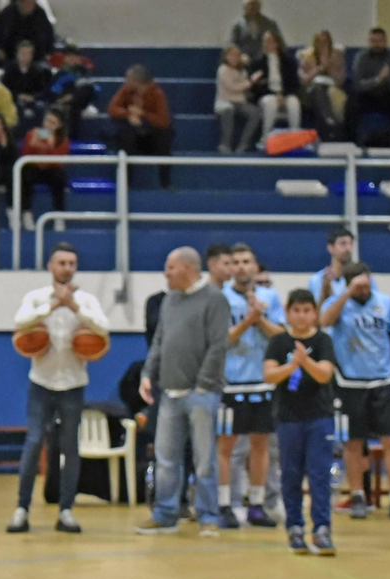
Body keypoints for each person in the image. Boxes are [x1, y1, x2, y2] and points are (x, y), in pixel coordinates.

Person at [7, 243, 109, 534]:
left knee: (70, 448)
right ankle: (21, 509)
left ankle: (66, 511)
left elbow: (103, 328)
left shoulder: (86, 300)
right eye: (62, 262)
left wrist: (74, 307)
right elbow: (20, 322)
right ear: (51, 266)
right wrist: (53, 306)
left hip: (74, 384)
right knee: (35, 441)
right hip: (41, 382)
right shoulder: (36, 297)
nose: (67, 268)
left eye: (72, 263)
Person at [137, 247, 229, 536]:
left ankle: (208, 516)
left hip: (201, 394)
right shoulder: (170, 301)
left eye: (170, 267)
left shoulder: (215, 299)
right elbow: (159, 342)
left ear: (189, 268)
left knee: (204, 460)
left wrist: (202, 383)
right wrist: (148, 374)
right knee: (165, 458)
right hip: (169, 393)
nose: (166, 273)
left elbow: (218, 345)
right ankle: (165, 513)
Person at [319, 261, 390, 521]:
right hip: (350, 383)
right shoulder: (338, 302)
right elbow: (324, 321)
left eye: (367, 283)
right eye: (359, 285)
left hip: (381, 381)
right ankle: (358, 495)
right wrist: (347, 293)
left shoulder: (385, 302)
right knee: (353, 442)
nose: (365, 289)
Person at [263, 290, 337, 554]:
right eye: (296, 310)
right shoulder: (279, 342)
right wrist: (292, 364)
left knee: (319, 476)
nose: (302, 316)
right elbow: (270, 375)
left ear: (314, 312)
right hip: (288, 418)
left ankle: (321, 529)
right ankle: (294, 527)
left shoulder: (323, 340)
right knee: (291, 475)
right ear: (287, 312)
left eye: (307, 310)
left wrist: (305, 360)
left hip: (319, 417)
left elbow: (324, 375)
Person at [218, 244, 285, 528]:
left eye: (247, 261)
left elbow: (282, 337)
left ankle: (256, 503)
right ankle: (223, 504)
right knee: (226, 446)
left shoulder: (270, 297)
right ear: (229, 268)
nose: (242, 267)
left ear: (256, 267)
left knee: (261, 444)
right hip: (230, 383)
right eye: (236, 262)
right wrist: (249, 320)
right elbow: (221, 339)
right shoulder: (220, 298)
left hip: (262, 383)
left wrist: (260, 320)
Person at [107, 65, 172, 189]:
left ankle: (166, 183)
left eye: (128, 79)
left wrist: (143, 114)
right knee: (125, 134)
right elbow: (112, 109)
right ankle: (125, 183)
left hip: (152, 136)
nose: (125, 81)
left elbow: (163, 121)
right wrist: (129, 113)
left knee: (165, 135)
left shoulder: (157, 94)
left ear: (137, 81)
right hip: (133, 136)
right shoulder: (126, 90)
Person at [346, 27, 390, 142]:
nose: (376, 44)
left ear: (385, 42)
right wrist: (377, 80)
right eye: (373, 41)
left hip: (388, 95)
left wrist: (388, 78)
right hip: (367, 96)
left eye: (379, 41)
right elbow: (358, 84)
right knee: (352, 100)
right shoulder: (361, 57)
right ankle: (350, 141)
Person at [17, 108, 67, 230]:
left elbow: (59, 162)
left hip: (51, 170)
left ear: (59, 125)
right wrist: (32, 146)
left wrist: (50, 146)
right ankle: (26, 213)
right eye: (47, 121)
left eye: (53, 123)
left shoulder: (63, 139)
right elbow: (24, 156)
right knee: (25, 173)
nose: (48, 125)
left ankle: (59, 215)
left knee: (59, 176)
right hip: (34, 169)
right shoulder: (32, 134)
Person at [252, 31, 301, 137]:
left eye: (269, 42)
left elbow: (294, 83)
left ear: (277, 44)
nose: (266, 44)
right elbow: (257, 87)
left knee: (294, 103)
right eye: (264, 42)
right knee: (271, 103)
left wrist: (283, 94)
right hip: (267, 95)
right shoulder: (258, 62)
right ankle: (266, 137)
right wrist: (275, 94)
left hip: (285, 94)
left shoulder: (289, 62)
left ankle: (295, 136)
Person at [215, 45, 259, 154]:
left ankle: (243, 145)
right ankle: (225, 145)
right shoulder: (223, 70)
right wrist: (250, 82)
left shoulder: (242, 71)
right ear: (226, 57)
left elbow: (242, 90)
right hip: (225, 101)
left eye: (237, 55)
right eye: (232, 55)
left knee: (255, 113)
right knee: (228, 111)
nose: (235, 58)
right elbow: (233, 87)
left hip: (240, 102)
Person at [2, 39, 53, 124]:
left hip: (32, 102)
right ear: (17, 54)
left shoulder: (38, 71)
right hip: (13, 101)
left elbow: (43, 91)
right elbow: (4, 89)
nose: (25, 56)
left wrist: (33, 97)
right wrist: (17, 96)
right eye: (22, 53)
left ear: (31, 55)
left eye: (28, 54)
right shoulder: (10, 70)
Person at [0, 0, 54, 65]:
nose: (28, 4)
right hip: (9, 58)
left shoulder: (41, 15)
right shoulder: (7, 13)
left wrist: (48, 53)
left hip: (36, 60)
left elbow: (49, 36)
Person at [229, 0, 282, 64]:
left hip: (266, 61)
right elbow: (232, 44)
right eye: (250, 4)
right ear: (244, 7)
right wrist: (240, 56)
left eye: (255, 4)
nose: (252, 7)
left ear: (259, 6)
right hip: (244, 62)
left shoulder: (269, 24)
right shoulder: (238, 26)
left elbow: (279, 42)